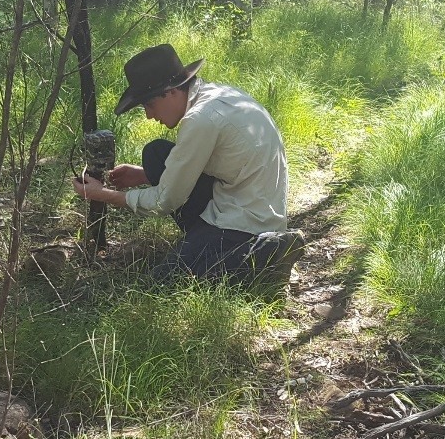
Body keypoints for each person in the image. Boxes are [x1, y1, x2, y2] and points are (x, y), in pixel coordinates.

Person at [72, 43, 293, 282]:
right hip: (240, 196)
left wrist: (103, 194)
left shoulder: (200, 119)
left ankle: (263, 255)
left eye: (149, 104)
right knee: (156, 154)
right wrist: (144, 175)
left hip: (246, 222)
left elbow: (164, 201)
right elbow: (220, 162)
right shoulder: (219, 95)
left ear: (171, 91)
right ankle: (217, 246)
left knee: (167, 281)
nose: (148, 115)